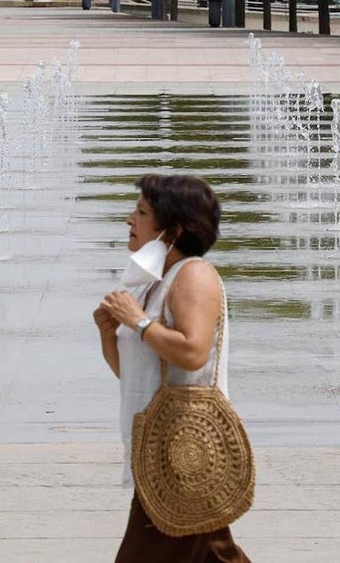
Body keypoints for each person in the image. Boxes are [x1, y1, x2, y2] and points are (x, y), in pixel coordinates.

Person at [94, 174, 250, 563]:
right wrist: (109, 334)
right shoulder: (154, 282)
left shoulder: (193, 275)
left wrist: (139, 322)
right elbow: (134, 374)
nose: (130, 219)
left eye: (142, 212)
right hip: (165, 449)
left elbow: (194, 352)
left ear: (174, 230)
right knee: (216, 554)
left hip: (182, 452)